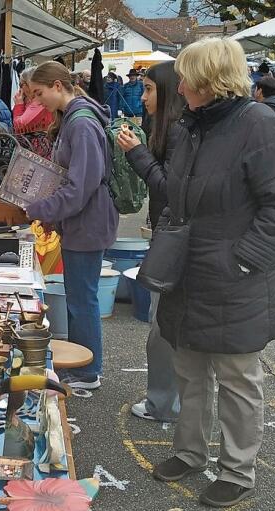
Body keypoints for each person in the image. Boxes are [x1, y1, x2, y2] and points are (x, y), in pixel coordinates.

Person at [150, 38, 275, 508]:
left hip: (234, 277)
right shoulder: (192, 126)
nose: (179, 86)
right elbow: (176, 194)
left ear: (209, 80)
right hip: (189, 272)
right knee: (189, 367)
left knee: (237, 377)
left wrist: (244, 260)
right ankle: (189, 452)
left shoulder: (259, 125)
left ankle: (237, 471)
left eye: (186, 77)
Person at [24, 61, 119, 391]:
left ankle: (88, 370)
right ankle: (86, 366)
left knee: (83, 299)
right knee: (81, 297)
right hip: (84, 220)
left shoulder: (80, 124)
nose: (38, 102)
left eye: (39, 93)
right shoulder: (74, 120)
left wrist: (39, 208)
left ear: (58, 86)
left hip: (88, 222)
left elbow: (80, 187)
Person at [115, 61, 186, 423]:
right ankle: (169, 403)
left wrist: (136, 153)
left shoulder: (177, 130)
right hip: (168, 233)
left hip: (174, 239)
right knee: (165, 327)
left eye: (148, 89)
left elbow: (167, 188)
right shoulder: (169, 128)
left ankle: (165, 405)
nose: (141, 98)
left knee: (163, 328)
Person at [12, 67, 53, 133]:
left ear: (29, 83)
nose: (20, 89)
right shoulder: (34, 100)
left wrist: (19, 105)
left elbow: (19, 126)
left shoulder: (39, 101)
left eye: (21, 85)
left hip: (39, 142)